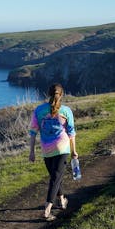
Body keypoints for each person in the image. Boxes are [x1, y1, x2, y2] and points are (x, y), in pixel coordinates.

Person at [29, 83, 78, 221]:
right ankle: (47, 210)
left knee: (55, 177)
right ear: (61, 95)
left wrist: (31, 152)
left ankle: (61, 201)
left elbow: (33, 132)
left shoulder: (38, 110)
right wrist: (74, 151)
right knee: (56, 178)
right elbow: (71, 132)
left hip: (46, 149)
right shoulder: (66, 110)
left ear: (48, 94)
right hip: (62, 148)